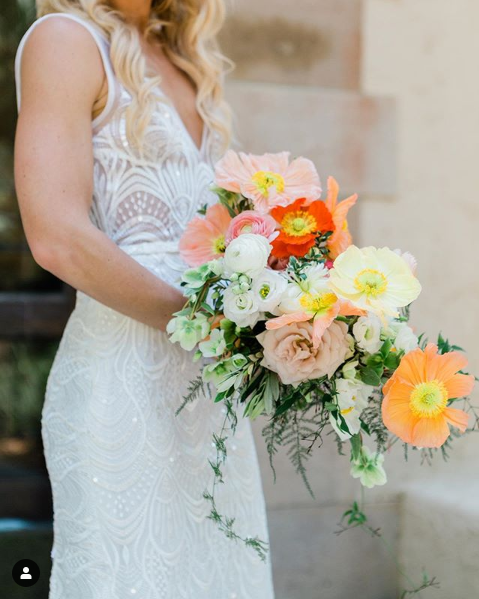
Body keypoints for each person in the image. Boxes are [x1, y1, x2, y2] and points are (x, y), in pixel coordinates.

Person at [13, 1, 275, 597]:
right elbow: (58, 239)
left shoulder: (187, 59)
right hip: (122, 383)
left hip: (209, 396)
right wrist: (205, 326)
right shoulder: (65, 39)